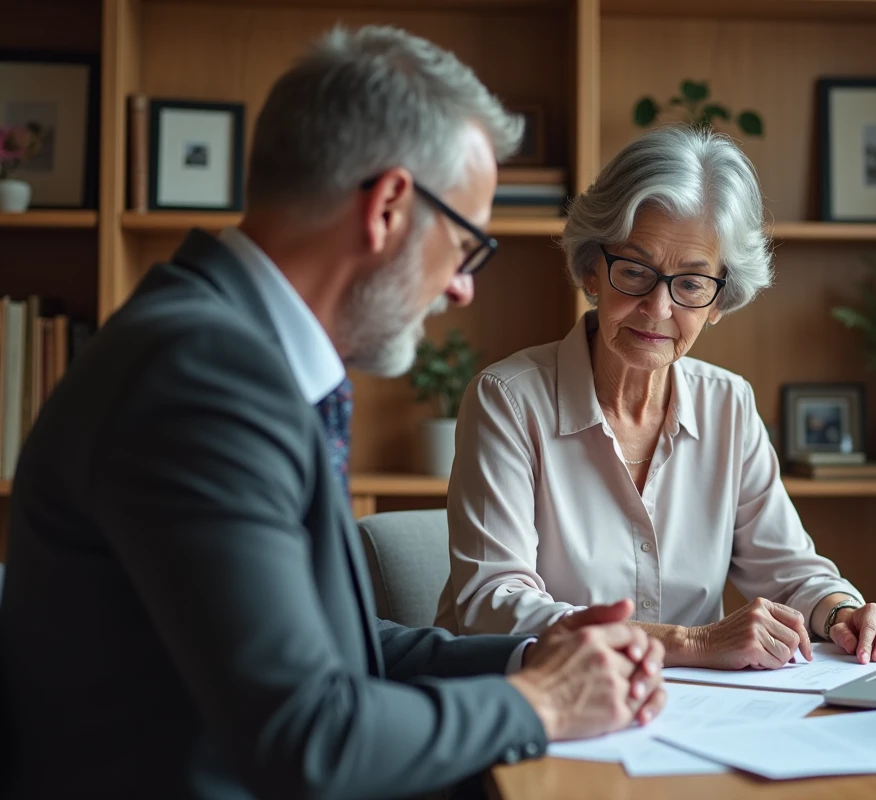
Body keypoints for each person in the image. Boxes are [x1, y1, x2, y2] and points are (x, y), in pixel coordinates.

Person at [0, 25, 664, 800]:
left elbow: (331, 648)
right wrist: (545, 703)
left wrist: (534, 655)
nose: (462, 289)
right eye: (466, 246)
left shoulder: (228, 350)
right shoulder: (200, 378)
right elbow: (307, 739)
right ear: (388, 207)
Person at [440, 125, 876, 670]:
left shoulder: (729, 405)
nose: (658, 309)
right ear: (593, 269)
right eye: (635, 272)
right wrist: (692, 644)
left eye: (690, 284)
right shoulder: (508, 401)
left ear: (719, 300)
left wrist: (842, 613)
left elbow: (791, 571)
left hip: (688, 713)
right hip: (535, 701)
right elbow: (494, 605)